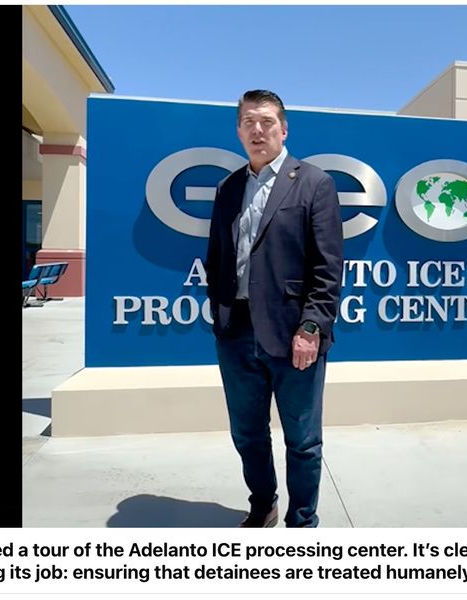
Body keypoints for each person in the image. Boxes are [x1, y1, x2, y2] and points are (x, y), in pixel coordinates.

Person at [205, 90, 343, 528]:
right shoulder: (228, 188)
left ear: (284, 129)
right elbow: (216, 257)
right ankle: (262, 504)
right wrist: (219, 313)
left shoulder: (314, 183)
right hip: (236, 333)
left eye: (266, 121)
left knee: (302, 440)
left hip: (292, 334)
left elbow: (328, 266)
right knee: (247, 433)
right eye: (248, 121)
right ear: (238, 131)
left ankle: (302, 521)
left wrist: (311, 327)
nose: (257, 130)